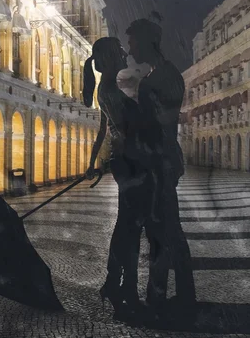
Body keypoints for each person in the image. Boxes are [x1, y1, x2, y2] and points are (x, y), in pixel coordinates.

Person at [125, 19, 196, 320]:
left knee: (161, 231)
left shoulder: (163, 78)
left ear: (146, 42)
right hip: (161, 159)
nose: (130, 49)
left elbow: (161, 123)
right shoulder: (164, 75)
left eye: (132, 43)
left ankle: (161, 297)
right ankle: (180, 293)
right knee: (168, 231)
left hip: (159, 161)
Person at [83, 37, 155, 322]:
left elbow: (104, 129)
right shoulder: (118, 84)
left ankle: (116, 281)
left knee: (126, 226)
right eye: (121, 52)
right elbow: (134, 123)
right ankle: (125, 288)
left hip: (121, 161)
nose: (126, 54)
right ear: (112, 55)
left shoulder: (104, 87)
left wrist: (94, 163)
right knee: (131, 228)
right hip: (134, 161)